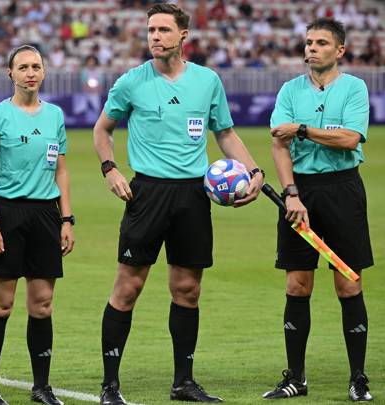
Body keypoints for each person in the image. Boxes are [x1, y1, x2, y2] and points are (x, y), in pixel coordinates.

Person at [93, 4, 265, 404]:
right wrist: (110, 170)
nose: (155, 37)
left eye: (163, 30)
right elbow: (103, 130)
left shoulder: (207, 82)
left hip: (193, 195)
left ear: (183, 36)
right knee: (128, 288)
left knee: (187, 290)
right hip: (147, 193)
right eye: (151, 30)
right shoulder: (131, 82)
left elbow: (225, 133)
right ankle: (109, 385)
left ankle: (183, 383)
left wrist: (254, 171)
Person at [264, 18, 374, 402]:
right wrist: (291, 193)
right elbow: (279, 142)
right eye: (308, 42)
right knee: (297, 284)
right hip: (300, 192)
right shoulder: (290, 90)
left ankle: (358, 378)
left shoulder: (355, 88)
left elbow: (349, 138)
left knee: (348, 282)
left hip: (342, 191)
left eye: (321, 42)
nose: (311, 48)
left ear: (339, 50)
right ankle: (295, 377)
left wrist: (304, 130)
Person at [0, 45, 75, 405]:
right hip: (8, 214)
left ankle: (41, 387)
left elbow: (61, 170)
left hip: (46, 215)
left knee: (43, 304)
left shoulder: (55, 116)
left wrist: (66, 218)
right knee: (1, 303)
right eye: (23, 67)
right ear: (10, 73)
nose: (30, 72)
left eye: (36, 66)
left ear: (44, 72)